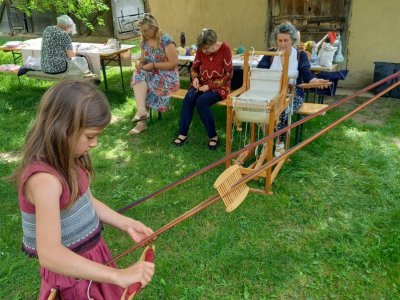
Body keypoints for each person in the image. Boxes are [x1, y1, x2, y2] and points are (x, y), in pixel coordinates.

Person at [9, 80, 155, 299]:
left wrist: (126, 223)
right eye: (90, 136)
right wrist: (117, 276)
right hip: (74, 280)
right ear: (63, 129)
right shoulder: (45, 181)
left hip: (91, 261)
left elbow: (86, 202)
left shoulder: (67, 158)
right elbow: (50, 255)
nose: (95, 143)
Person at [257, 22, 329, 157]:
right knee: (263, 108)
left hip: (293, 93)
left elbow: (306, 74)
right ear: (276, 41)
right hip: (271, 93)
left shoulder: (299, 55)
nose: (283, 44)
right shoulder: (271, 54)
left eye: (286, 40)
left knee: (282, 110)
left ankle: (279, 143)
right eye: (280, 40)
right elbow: (260, 70)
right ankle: (267, 141)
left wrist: (314, 81)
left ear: (293, 41)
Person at [173, 29, 233, 150]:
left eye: (207, 48)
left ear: (214, 42)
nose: (204, 51)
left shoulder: (225, 48)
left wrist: (210, 87)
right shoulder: (201, 50)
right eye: (203, 49)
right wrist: (195, 78)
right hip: (201, 83)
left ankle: (213, 136)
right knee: (189, 97)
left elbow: (229, 74)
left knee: (202, 101)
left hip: (220, 86)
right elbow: (194, 68)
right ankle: (182, 134)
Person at [130, 13, 179, 134]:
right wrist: (139, 63)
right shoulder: (144, 42)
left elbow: (173, 63)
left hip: (168, 76)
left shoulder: (165, 39)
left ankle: (141, 122)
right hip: (152, 73)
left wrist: (153, 65)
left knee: (145, 83)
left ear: (154, 27)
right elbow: (144, 59)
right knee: (138, 74)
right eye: (142, 31)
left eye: (146, 30)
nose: (144, 33)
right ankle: (141, 111)